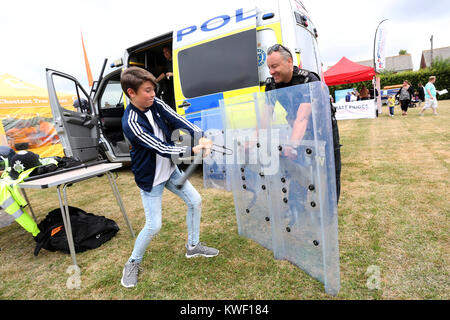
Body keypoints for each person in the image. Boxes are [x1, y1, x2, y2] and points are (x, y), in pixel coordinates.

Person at [120, 67, 218, 288]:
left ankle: (193, 247)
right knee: (154, 226)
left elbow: (177, 120)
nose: (152, 94)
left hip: (170, 171)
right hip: (151, 178)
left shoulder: (155, 103)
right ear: (131, 93)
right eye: (147, 90)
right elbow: (159, 147)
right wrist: (190, 150)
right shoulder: (131, 122)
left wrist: (201, 137)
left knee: (195, 201)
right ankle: (133, 263)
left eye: (153, 89)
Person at [264, 44, 341, 202]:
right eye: (269, 67)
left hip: (322, 128)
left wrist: (292, 145)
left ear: (289, 62)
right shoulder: (271, 85)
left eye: (275, 66)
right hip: (298, 129)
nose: (271, 72)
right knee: (297, 168)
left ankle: (330, 210)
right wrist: (253, 139)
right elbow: (265, 116)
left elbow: (302, 117)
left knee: (329, 170)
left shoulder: (307, 80)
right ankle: (296, 210)